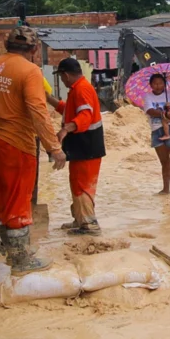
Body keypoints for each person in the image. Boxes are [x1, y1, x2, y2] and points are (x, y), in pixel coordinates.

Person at [0, 26, 67, 275]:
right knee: (17, 199)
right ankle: (21, 260)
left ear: (6, 45)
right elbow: (38, 110)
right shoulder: (30, 71)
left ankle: (11, 251)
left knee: (0, 201)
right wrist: (54, 147)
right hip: (16, 144)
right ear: (34, 49)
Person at [46, 58, 105, 235]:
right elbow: (68, 110)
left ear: (65, 75)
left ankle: (89, 225)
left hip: (87, 146)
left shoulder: (81, 89)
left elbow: (85, 117)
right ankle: (80, 219)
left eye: (62, 77)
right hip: (84, 146)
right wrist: (49, 99)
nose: (62, 81)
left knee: (82, 185)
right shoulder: (78, 89)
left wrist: (65, 130)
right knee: (78, 182)